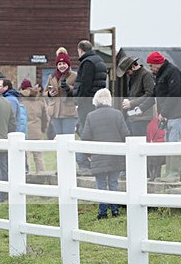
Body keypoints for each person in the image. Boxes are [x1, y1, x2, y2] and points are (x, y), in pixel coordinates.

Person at [80, 89, 129, 219]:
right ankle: (115, 211)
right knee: (113, 183)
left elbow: (85, 137)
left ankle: (102, 213)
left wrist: (89, 155)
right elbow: (125, 134)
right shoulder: (118, 114)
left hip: (98, 156)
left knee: (101, 185)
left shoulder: (90, 116)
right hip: (115, 156)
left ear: (96, 101)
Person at [147, 51, 181, 180]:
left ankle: (174, 173)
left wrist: (163, 113)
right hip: (167, 116)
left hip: (176, 114)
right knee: (168, 143)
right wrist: (140, 107)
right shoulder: (161, 74)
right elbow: (155, 94)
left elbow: (174, 94)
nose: (150, 68)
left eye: (151, 65)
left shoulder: (173, 72)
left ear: (157, 63)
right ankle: (168, 172)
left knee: (174, 142)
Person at [73, 40, 108, 175]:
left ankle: (85, 163)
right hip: (97, 101)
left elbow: (85, 84)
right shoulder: (100, 61)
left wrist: (78, 100)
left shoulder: (87, 63)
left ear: (80, 50)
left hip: (87, 102)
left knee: (84, 130)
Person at [117, 56, 156, 137]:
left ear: (133, 67)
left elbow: (150, 94)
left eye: (127, 72)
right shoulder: (133, 76)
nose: (127, 74)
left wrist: (131, 103)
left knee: (138, 140)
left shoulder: (146, 75)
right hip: (133, 115)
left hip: (142, 116)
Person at [44, 51, 78, 137]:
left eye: (64, 63)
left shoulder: (75, 76)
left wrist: (69, 88)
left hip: (69, 112)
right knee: (58, 138)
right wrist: (49, 94)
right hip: (55, 112)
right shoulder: (52, 77)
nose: (62, 66)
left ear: (68, 64)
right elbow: (44, 93)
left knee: (68, 138)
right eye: (59, 64)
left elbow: (78, 91)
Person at [19, 79, 47, 172]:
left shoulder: (20, 100)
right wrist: (42, 129)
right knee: (38, 156)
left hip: (23, 132)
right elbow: (45, 118)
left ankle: (27, 175)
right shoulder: (40, 100)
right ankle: (41, 174)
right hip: (37, 131)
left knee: (25, 156)